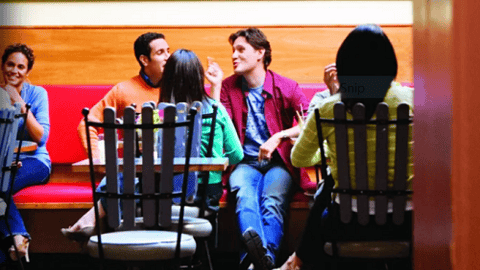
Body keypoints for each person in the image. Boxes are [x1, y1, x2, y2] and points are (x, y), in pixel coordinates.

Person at [278, 24, 414, 270]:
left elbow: (299, 159)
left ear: (344, 68)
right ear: (390, 63)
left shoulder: (327, 108)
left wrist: (332, 151)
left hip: (347, 223)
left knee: (324, 204)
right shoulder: (416, 101)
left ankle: (295, 262)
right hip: (408, 221)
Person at [207, 28, 315, 270]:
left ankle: (254, 264)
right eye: (233, 50)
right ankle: (263, 264)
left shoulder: (286, 87)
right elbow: (217, 126)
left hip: (280, 163)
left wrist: (279, 136)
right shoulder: (227, 87)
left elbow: (308, 123)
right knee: (244, 197)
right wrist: (214, 88)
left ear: (260, 53)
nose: (234, 55)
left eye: (240, 50)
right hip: (244, 163)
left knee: (272, 200)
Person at [61, 32, 170, 238]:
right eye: (160, 52)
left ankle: (91, 219)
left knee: (121, 176)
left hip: (169, 168)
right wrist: (97, 159)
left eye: (168, 51)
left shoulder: (176, 89)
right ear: (144, 60)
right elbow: (87, 123)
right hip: (135, 167)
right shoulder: (124, 90)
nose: (167, 57)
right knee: (122, 173)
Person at [159, 48, 244, 209]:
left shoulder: (162, 113)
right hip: (208, 190)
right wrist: (215, 158)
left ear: (167, 79)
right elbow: (237, 155)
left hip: (171, 191)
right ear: (198, 77)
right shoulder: (216, 110)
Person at [0, 43, 51, 263]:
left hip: (35, 162)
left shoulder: (37, 94)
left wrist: (19, 102)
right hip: (4, 162)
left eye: (21, 67)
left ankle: (17, 235)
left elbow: (41, 137)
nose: (14, 70)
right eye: (10, 64)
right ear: (3, 66)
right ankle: (17, 242)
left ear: (27, 71)